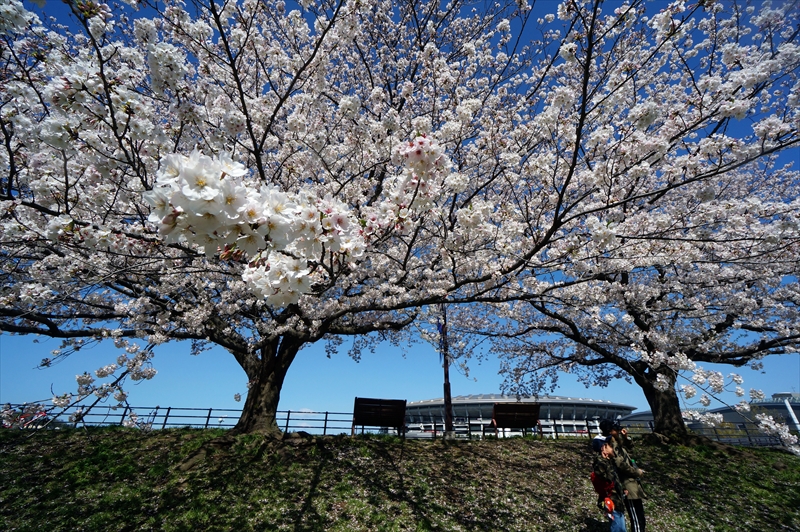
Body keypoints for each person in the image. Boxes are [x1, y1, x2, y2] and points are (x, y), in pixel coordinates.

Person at [600, 419, 647, 532]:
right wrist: (637, 472)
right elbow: (620, 464)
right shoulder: (610, 444)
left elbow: (629, 447)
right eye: (616, 428)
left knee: (639, 516)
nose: (619, 430)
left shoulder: (616, 441)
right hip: (627, 483)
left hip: (630, 482)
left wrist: (625, 437)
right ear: (610, 431)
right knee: (636, 517)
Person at [592, 438, 628, 532]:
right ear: (604, 448)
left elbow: (615, 480)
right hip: (612, 501)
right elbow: (605, 479)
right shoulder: (600, 463)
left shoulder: (609, 462)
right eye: (610, 446)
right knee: (618, 529)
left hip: (617, 500)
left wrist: (622, 489)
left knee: (621, 528)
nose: (612, 449)